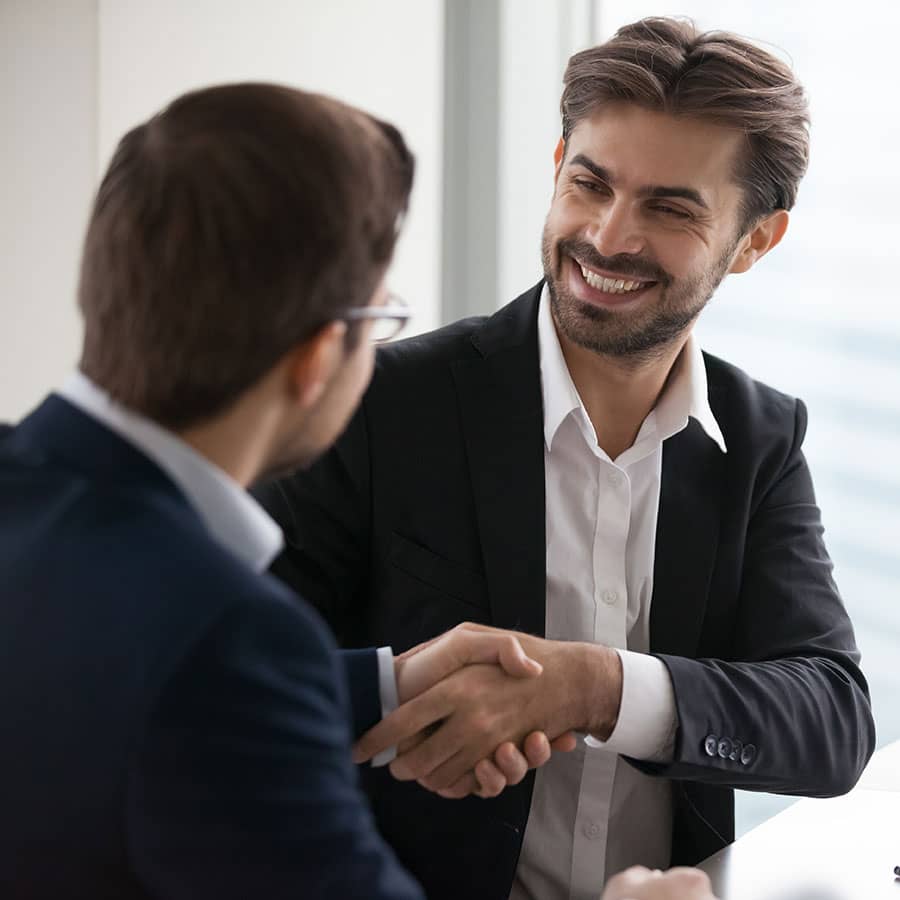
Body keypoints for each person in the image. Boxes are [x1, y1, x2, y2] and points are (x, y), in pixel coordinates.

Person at [255, 16, 876, 900]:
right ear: (557, 166)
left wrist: (596, 687)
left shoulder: (761, 438)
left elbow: (830, 721)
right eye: (590, 183)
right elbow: (231, 687)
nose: (609, 237)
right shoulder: (380, 403)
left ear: (755, 242)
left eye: (669, 208)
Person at [0, 83, 567, 899]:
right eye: (380, 320)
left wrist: (383, 684)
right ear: (314, 359)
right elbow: (199, 683)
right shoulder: (228, 634)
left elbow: (101, 690)